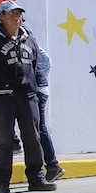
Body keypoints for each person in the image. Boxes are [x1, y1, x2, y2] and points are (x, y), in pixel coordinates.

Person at [0, 0, 56, 193]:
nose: (16, 17)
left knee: (33, 138)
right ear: (1, 16)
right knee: (3, 140)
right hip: (2, 98)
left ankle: (36, 179)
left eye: (18, 14)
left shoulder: (29, 40)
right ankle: (1, 182)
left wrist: (35, 89)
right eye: (11, 14)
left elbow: (36, 65)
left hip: (27, 97)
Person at [33, 40, 66, 181]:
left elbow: (46, 60)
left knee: (39, 127)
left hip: (36, 88)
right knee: (37, 127)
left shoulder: (25, 36)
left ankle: (53, 165)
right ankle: (52, 165)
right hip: (36, 87)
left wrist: (38, 77)